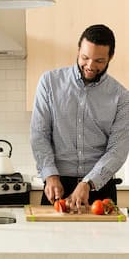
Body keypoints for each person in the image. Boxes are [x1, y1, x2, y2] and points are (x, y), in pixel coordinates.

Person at [30, 24, 129, 213]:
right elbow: (39, 135)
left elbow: (118, 149)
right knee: (50, 242)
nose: (90, 66)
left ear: (111, 57)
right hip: (57, 186)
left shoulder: (122, 97)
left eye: (99, 60)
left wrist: (88, 183)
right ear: (78, 50)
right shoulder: (49, 83)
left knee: (105, 243)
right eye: (85, 58)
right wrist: (50, 175)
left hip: (99, 189)